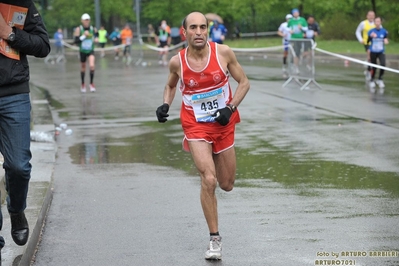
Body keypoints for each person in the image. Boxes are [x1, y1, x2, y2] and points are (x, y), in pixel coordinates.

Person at [155, 11, 250, 260]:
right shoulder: (178, 62)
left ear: (208, 30)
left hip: (223, 123)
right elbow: (171, 85)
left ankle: (216, 173)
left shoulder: (223, 53)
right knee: (208, 179)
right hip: (195, 124)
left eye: (203, 27)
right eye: (193, 28)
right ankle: (214, 239)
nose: (199, 32)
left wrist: (230, 108)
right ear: (184, 32)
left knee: (226, 184)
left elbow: (244, 83)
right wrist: (165, 104)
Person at [0, 0, 50, 257]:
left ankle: (17, 210)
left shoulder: (20, 3)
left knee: (19, 166)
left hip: (13, 93)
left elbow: (43, 46)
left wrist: (10, 33)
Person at [74, 13, 98, 93]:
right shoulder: (79, 29)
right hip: (82, 51)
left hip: (90, 50)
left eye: (88, 20)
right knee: (83, 67)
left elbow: (96, 35)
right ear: (82, 21)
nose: (86, 22)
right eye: (85, 20)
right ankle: (83, 84)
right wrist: (84, 36)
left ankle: (91, 83)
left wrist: (96, 39)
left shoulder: (92, 28)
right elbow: (76, 41)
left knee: (92, 66)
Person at [367, 16, 388, 94]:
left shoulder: (384, 31)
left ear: (381, 22)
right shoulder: (371, 31)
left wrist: (386, 41)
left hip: (381, 51)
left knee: (383, 64)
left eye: (378, 21)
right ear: (374, 23)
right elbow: (368, 41)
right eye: (376, 22)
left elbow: (385, 39)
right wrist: (370, 36)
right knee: (374, 66)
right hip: (373, 51)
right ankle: (372, 80)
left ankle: (380, 79)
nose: (377, 23)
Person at [355, 10, 375, 81]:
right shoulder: (363, 23)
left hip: (375, 44)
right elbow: (357, 31)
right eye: (370, 15)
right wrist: (360, 39)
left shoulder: (377, 23)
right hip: (367, 43)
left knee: (373, 58)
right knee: (369, 55)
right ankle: (369, 71)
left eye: (373, 15)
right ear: (367, 16)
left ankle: (368, 69)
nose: (371, 17)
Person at [287, 8, 308, 74]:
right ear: (293, 14)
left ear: (298, 13)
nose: (296, 14)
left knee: (300, 52)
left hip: (300, 38)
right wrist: (290, 31)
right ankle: (294, 66)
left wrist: (301, 28)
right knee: (295, 52)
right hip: (293, 39)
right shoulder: (291, 21)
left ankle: (297, 64)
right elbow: (288, 28)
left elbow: (306, 28)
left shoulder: (302, 20)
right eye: (294, 13)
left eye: (297, 13)